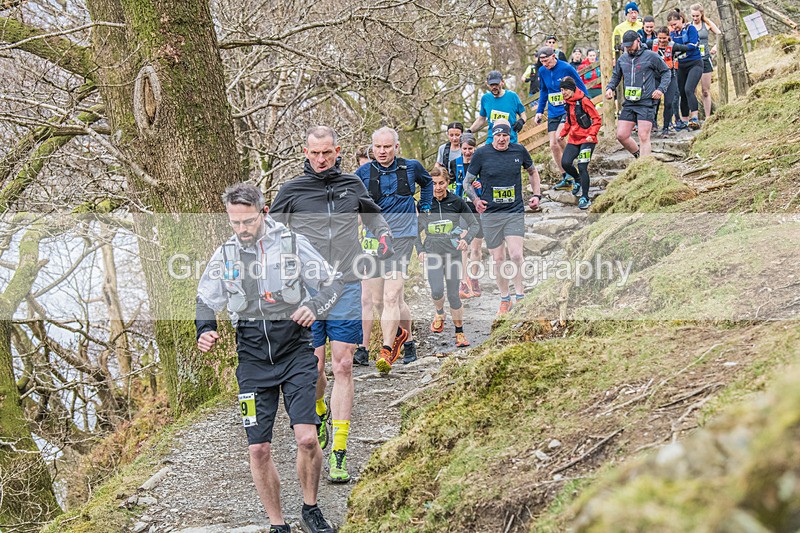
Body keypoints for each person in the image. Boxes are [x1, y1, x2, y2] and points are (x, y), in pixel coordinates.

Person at [196, 183, 340, 533]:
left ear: (263, 213)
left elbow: (331, 284)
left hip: (295, 351)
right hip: (251, 359)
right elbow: (205, 298)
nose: (241, 230)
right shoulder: (226, 254)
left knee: (306, 438)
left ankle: (311, 507)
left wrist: (313, 306)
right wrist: (205, 329)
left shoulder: (290, 243)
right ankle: (278, 524)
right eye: (234, 223)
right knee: (258, 449)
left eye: (247, 221)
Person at [269, 126, 393, 483]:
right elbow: (272, 235)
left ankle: (339, 451)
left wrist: (382, 235)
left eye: (327, 153)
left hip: (347, 283)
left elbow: (372, 215)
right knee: (315, 367)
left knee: (343, 365)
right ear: (305, 152)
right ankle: (320, 412)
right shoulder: (291, 191)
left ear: (337, 151)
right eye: (315, 153)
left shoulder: (353, 184)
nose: (321, 160)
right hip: (306, 292)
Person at [356, 126, 433, 373]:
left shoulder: (411, 167)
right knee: (380, 300)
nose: (382, 151)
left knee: (391, 296)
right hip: (374, 239)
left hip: (402, 238)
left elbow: (428, 182)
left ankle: (387, 352)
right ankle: (406, 339)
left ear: (396, 147)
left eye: (387, 146)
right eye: (377, 147)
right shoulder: (362, 173)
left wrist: (426, 206)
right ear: (372, 148)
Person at [463, 121, 541, 316]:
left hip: (513, 210)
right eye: (497, 135)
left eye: (505, 135)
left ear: (509, 136)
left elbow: (532, 171)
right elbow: (467, 182)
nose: (501, 138)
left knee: (515, 255)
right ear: (492, 135)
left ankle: (521, 296)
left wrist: (536, 194)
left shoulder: (519, 151)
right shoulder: (481, 154)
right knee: (498, 259)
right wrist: (476, 200)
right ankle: (505, 299)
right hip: (490, 214)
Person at [417, 166, 479, 347]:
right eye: (433, 184)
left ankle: (459, 333)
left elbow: (474, 224)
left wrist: (466, 240)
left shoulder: (457, 202)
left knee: (453, 295)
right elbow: (414, 231)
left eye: (441, 183)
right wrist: (420, 250)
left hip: (452, 254)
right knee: (436, 291)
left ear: (447, 183)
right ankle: (439, 312)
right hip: (433, 255)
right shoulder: (424, 205)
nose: (437, 187)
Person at [605, 30, 671, 158]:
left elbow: (666, 72)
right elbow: (616, 76)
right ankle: (639, 156)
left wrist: (660, 89)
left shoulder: (651, 56)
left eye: (631, 44)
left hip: (646, 102)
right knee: (621, 135)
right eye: (626, 46)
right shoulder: (622, 59)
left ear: (638, 41)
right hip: (629, 102)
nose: (629, 48)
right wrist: (610, 88)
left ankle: (645, 167)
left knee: (643, 135)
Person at [534, 46, 588, 192]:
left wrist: (585, 103)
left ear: (553, 56)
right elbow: (544, 91)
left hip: (567, 108)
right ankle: (567, 176)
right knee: (553, 145)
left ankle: (571, 161)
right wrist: (539, 111)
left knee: (560, 138)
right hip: (552, 111)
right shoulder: (542, 71)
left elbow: (580, 85)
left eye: (547, 60)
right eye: (542, 61)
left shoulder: (566, 68)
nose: (545, 64)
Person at [448, 135, 484, 299]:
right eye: (465, 149)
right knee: (463, 245)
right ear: (460, 148)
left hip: (478, 206)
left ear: (475, 148)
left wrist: (481, 184)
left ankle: (474, 278)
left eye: (471, 149)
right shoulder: (454, 164)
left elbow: (488, 182)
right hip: (461, 207)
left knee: (476, 247)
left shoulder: (481, 162)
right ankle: (462, 282)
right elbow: (448, 182)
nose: (468, 152)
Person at [558, 77, 602, 210]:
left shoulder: (584, 101)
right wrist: (563, 134)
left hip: (588, 140)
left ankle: (585, 197)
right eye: (561, 90)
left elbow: (597, 119)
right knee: (565, 163)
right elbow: (569, 121)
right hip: (574, 139)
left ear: (571, 89)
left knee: (582, 166)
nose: (563, 92)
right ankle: (577, 180)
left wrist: (591, 134)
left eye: (565, 89)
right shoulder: (567, 103)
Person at [467, 70, 527, 145]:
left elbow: (523, 115)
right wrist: (469, 131)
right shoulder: (485, 99)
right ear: (487, 84)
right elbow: (481, 119)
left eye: (496, 84)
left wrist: (521, 121)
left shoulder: (512, 96)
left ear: (502, 82)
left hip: (510, 141)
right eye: (491, 85)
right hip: (492, 141)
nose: (494, 87)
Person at [669, 10, 703, 130]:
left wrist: (678, 47)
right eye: (671, 25)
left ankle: (694, 117)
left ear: (680, 20)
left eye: (675, 24)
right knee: (682, 92)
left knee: (689, 89)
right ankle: (684, 120)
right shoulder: (672, 33)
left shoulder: (690, 29)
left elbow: (693, 45)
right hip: (681, 65)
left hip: (694, 63)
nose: (673, 27)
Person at [690, 3, 722, 120]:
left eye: (697, 16)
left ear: (701, 14)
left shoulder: (707, 24)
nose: (695, 18)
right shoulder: (689, 26)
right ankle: (694, 117)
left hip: (705, 60)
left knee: (705, 91)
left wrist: (715, 47)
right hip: (693, 60)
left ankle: (708, 117)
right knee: (691, 90)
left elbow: (719, 34)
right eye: (693, 16)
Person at [653, 27, 685, 136]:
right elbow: (639, 46)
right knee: (654, 101)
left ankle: (666, 127)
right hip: (656, 77)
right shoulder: (652, 44)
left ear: (668, 37)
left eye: (664, 38)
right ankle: (653, 124)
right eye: (659, 38)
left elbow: (687, 48)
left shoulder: (673, 46)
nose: (662, 41)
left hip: (670, 77)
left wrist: (676, 55)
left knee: (669, 103)